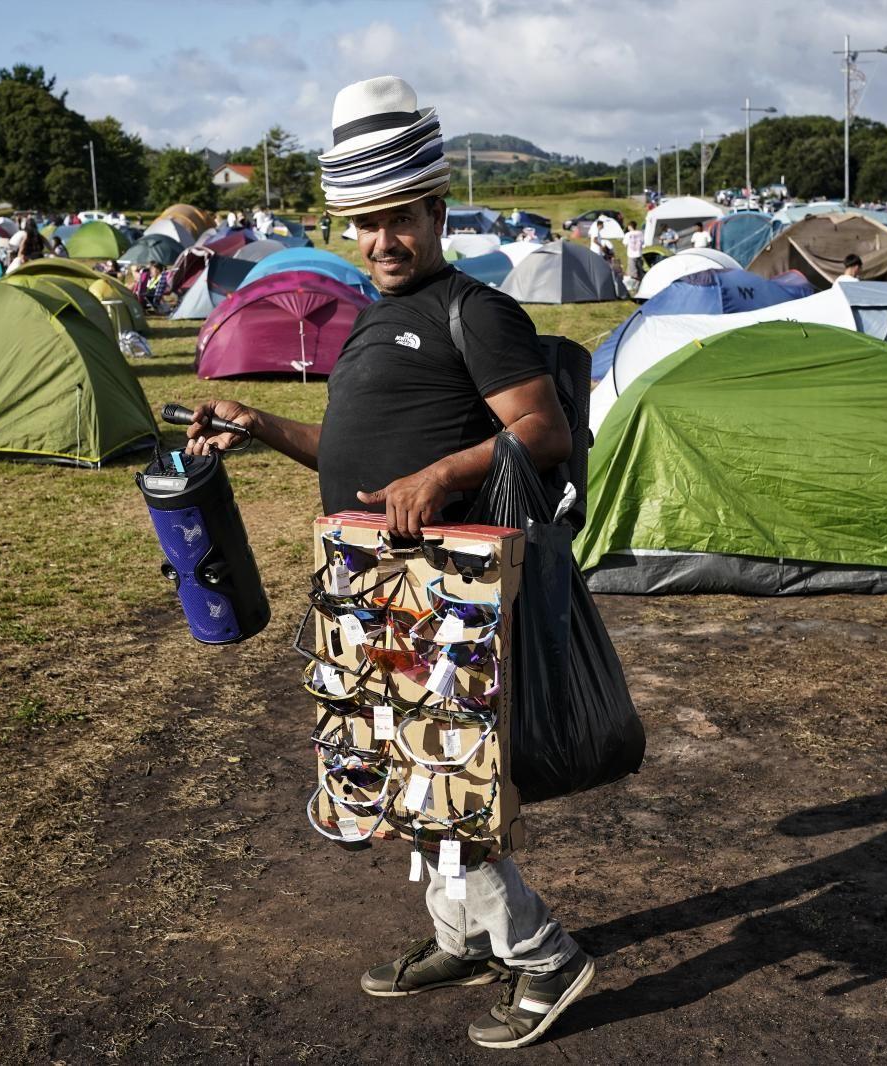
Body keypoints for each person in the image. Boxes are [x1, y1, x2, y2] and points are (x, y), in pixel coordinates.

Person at [184, 75, 593, 1052]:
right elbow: (341, 449)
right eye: (362, 224)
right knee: (387, 777)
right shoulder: (371, 313)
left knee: (434, 782)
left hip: (439, 589)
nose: (379, 241)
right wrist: (253, 421)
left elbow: (541, 434)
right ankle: (462, 937)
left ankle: (542, 956)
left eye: (396, 219)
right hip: (365, 581)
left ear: (436, 210)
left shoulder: (476, 310)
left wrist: (439, 472)